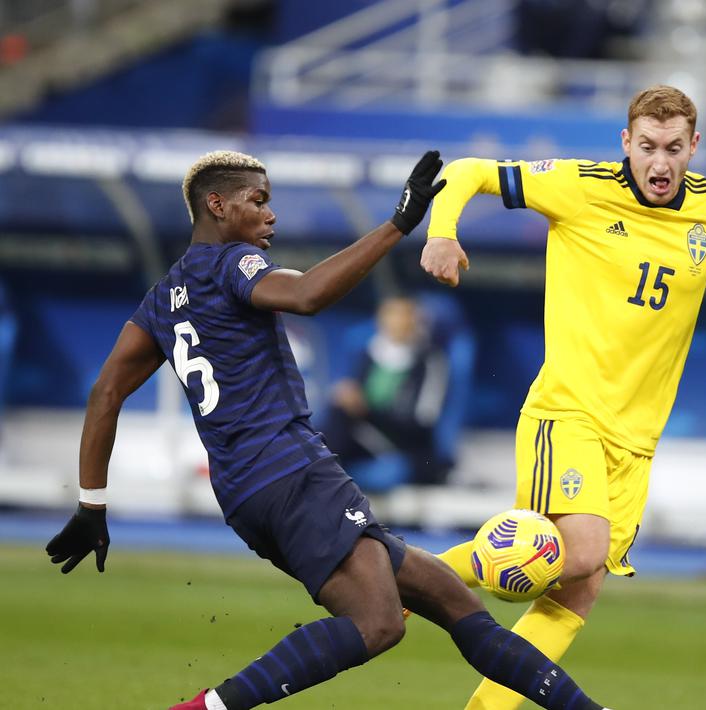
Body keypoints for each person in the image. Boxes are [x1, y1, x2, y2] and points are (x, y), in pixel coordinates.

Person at [43, 149, 612, 710]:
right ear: (216, 205)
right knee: (378, 623)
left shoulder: (163, 298)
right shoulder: (232, 263)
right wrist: (398, 225)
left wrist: (92, 504)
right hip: (291, 472)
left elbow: (106, 393)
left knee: (450, 597)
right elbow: (306, 294)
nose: (270, 214)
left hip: (247, 492)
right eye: (257, 201)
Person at [419, 84, 706, 709]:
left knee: (575, 594)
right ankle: (402, 576)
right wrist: (442, 233)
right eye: (648, 146)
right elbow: (468, 171)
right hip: (568, 414)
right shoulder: (579, 187)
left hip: (636, 442)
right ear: (626, 142)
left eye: (674, 148)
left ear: (694, 146)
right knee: (580, 552)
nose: (661, 162)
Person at [323, 295, 452, 489]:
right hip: (364, 439)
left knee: (383, 473)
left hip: (404, 448)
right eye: (391, 315)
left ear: (415, 320)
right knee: (337, 412)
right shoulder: (368, 352)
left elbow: (423, 420)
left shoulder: (431, 361)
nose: (396, 322)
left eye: (403, 316)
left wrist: (366, 409)